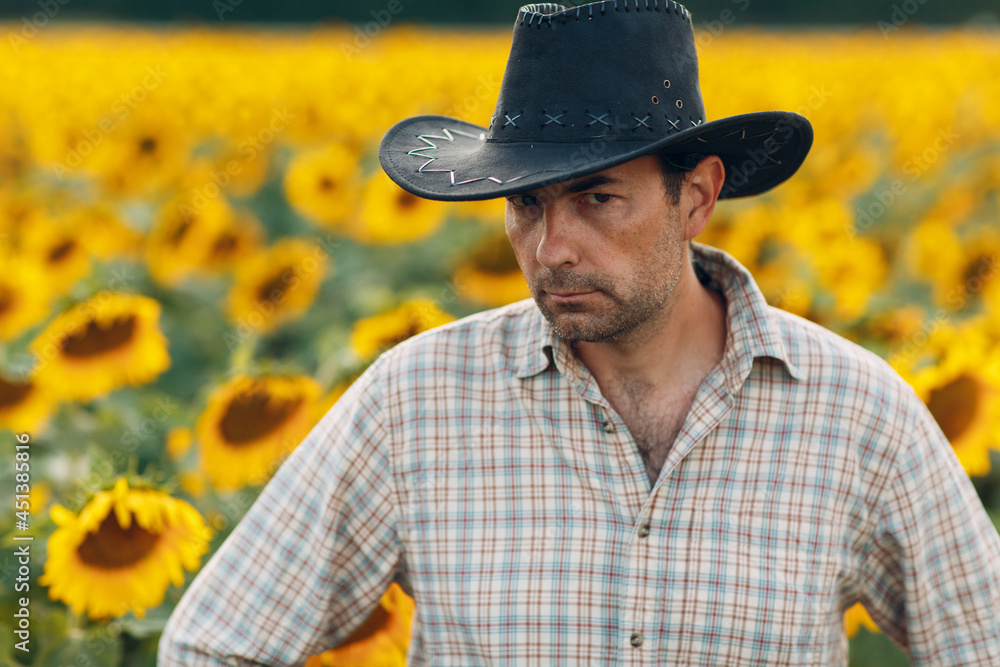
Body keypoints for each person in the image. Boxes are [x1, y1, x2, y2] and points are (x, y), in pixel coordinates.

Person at [158, 1, 1000, 665]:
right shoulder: (414, 404)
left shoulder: (859, 415)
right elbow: (214, 642)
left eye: (598, 199)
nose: (551, 248)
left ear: (698, 197)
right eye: (526, 204)